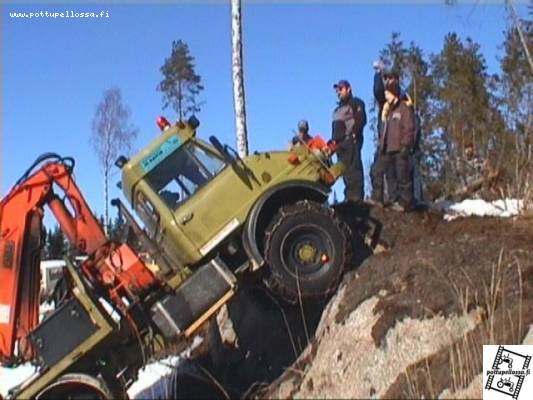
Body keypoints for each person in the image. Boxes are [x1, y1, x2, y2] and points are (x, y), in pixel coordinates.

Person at [370, 80, 416, 211]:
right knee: (376, 171)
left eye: (388, 93)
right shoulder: (388, 110)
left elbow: (409, 128)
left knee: (402, 176)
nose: (386, 96)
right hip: (386, 149)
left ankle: (405, 203)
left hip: (400, 148)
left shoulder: (404, 109)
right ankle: (377, 199)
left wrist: (406, 145)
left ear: (394, 94)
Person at [331, 79, 367, 203]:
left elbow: (361, 120)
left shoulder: (356, 103)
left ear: (348, 88)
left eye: (340, 89)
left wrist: (355, 134)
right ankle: (348, 197)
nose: (338, 92)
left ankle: (356, 196)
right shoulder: (337, 110)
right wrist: (333, 142)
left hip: (351, 141)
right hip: (340, 145)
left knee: (354, 170)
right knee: (344, 172)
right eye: (337, 90)